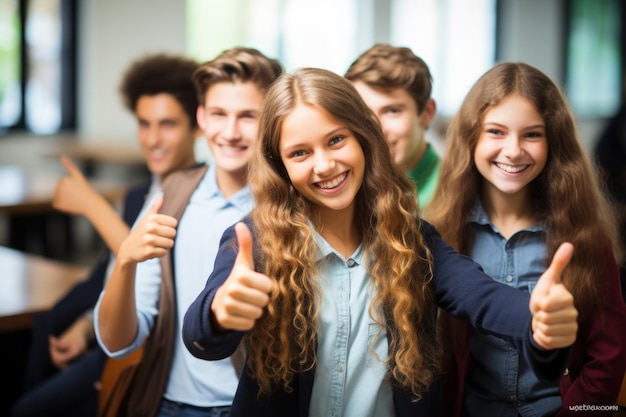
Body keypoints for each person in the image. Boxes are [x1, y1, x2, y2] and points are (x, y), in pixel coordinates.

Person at [181, 67, 579, 417]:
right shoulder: (256, 242)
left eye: (336, 140)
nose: (325, 164)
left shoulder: (412, 241)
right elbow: (202, 340)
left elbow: (482, 297)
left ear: (364, 138)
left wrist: (538, 318)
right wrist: (219, 312)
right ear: (280, 165)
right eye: (300, 152)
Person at [423, 62, 626, 417]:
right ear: (471, 137)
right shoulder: (442, 234)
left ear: (554, 142)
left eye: (532, 134)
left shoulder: (585, 235)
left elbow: (607, 357)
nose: (514, 150)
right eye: (496, 132)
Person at [94, 47, 283, 417]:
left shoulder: (289, 207)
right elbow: (118, 342)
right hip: (167, 406)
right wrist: (126, 260)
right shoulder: (172, 196)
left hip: (248, 408)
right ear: (202, 117)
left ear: (272, 121)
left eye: (248, 116)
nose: (230, 132)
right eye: (218, 114)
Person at [11, 53, 202, 417]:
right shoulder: (137, 195)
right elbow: (111, 272)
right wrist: (85, 326)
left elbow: (161, 279)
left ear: (198, 126)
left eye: (167, 124)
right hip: (109, 332)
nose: (153, 139)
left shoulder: (202, 195)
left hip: (149, 354)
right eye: (144, 124)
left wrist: (92, 207)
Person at [344, 43, 440, 209]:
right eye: (364, 113)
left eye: (392, 111)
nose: (376, 129)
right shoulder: (345, 187)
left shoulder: (458, 192)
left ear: (427, 113)